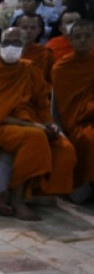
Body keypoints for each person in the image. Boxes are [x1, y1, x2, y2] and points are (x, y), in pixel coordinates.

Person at [0, 27, 77, 221]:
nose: (10, 47)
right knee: (35, 138)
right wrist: (33, 127)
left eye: (17, 43)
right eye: (6, 42)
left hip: (32, 122)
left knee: (65, 149)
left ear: (24, 46)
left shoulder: (30, 69)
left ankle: (10, 194)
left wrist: (48, 123)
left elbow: (42, 103)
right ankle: (17, 199)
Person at [52, 19, 94, 192]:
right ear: (70, 40)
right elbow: (64, 106)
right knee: (89, 138)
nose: (82, 40)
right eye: (78, 37)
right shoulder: (61, 68)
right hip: (79, 122)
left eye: (87, 36)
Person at [15, 13, 54, 83]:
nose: (28, 31)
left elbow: (50, 81)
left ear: (39, 30)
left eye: (33, 28)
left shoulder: (45, 53)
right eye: (24, 27)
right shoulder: (8, 50)